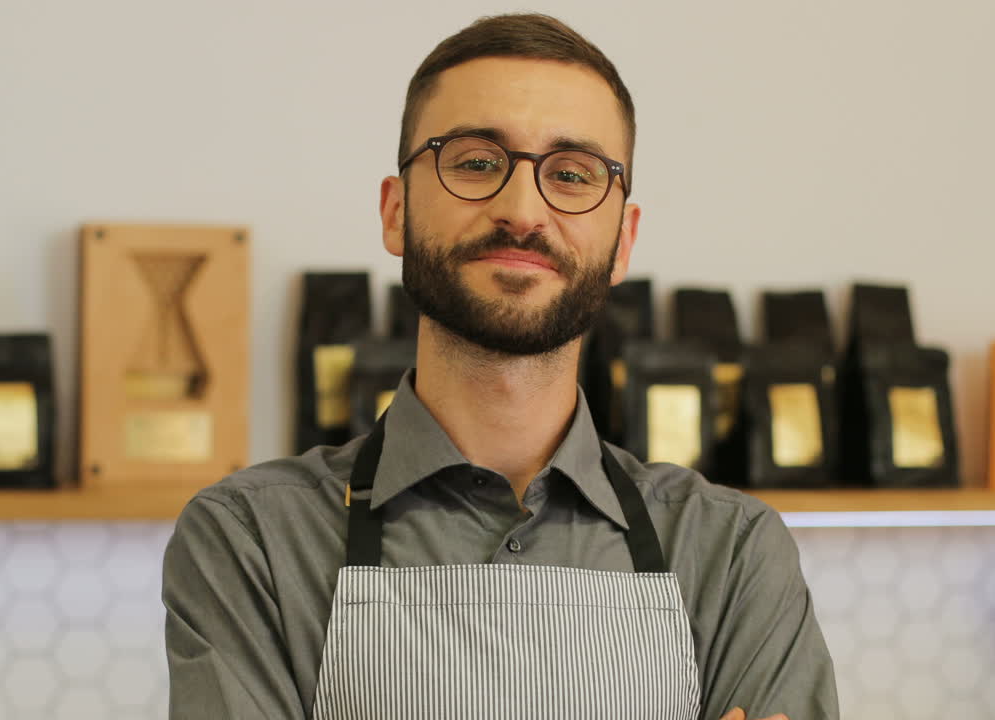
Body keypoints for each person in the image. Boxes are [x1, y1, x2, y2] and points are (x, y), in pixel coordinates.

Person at [163, 13, 838, 720]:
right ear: (396, 212)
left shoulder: (729, 552)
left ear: (623, 240)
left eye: (573, 174)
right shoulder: (253, 538)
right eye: (477, 161)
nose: (523, 211)